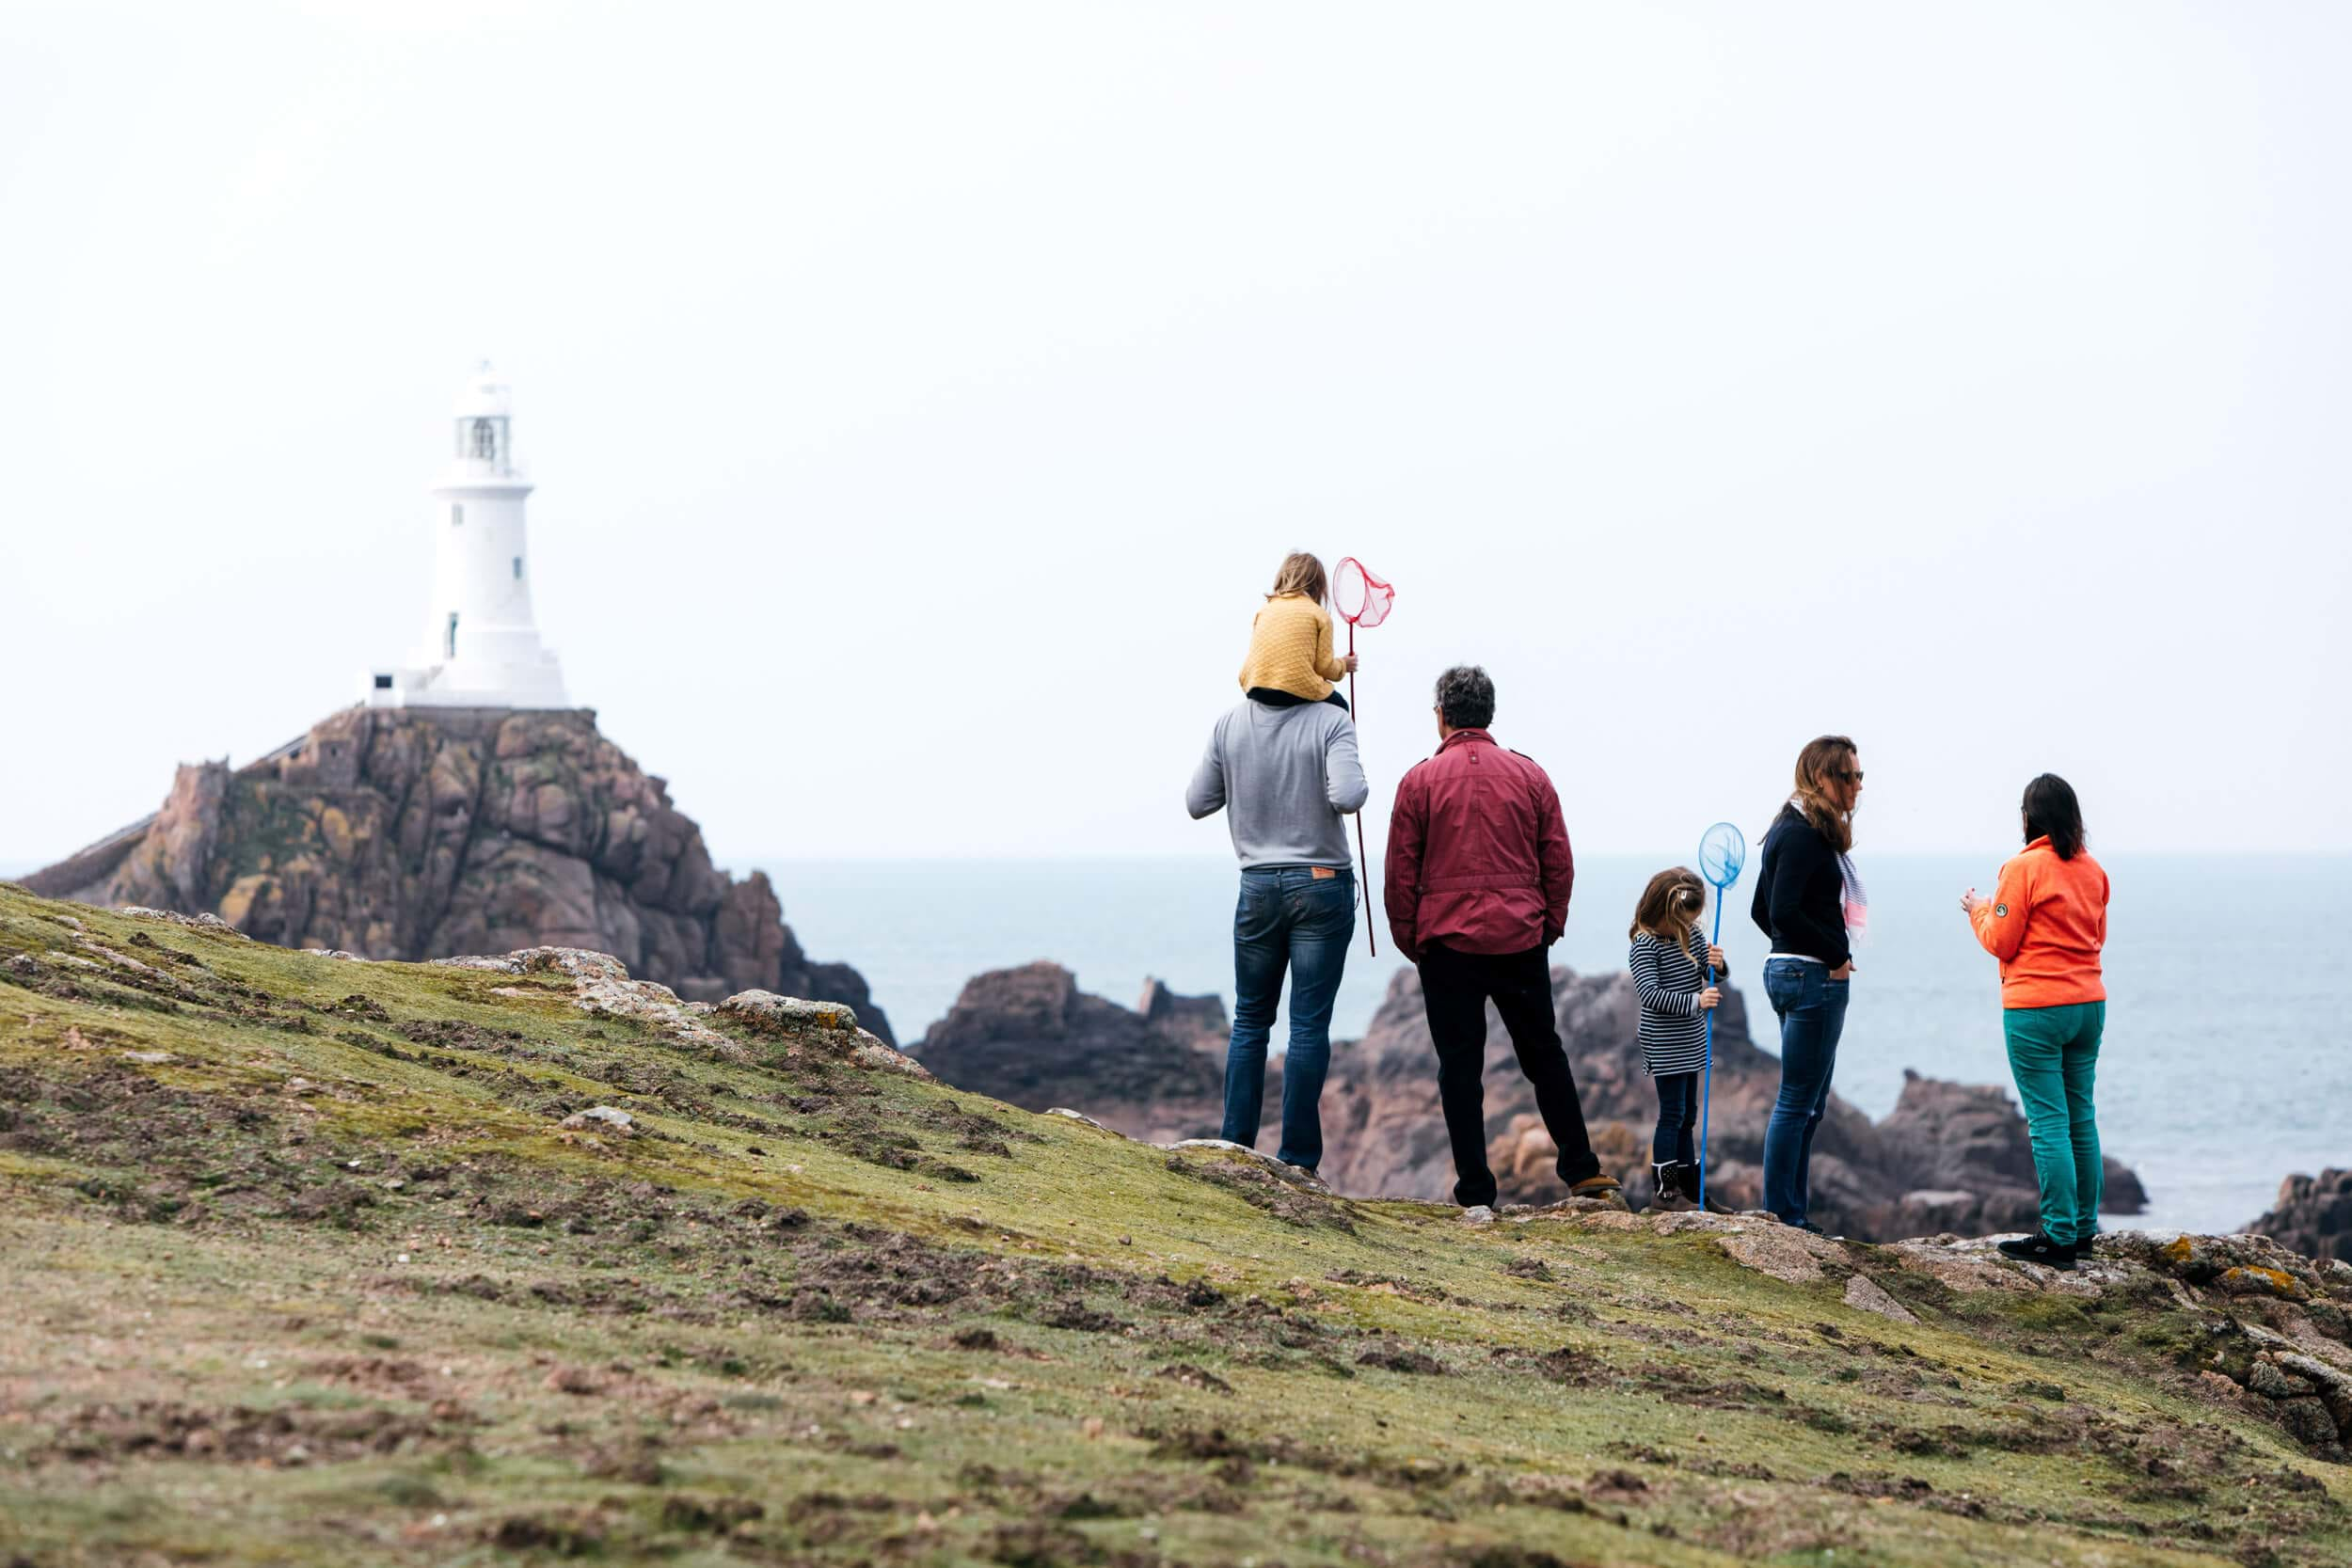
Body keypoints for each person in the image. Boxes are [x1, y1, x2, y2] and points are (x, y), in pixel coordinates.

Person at [1384, 665, 1620, 1210]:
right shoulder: (1530, 776)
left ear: (1441, 716)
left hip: (1446, 948)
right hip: (1521, 939)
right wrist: (1548, 925)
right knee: (1544, 1055)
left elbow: (1400, 874)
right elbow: (1558, 861)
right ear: (1489, 715)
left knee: (1460, 1070)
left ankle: (1475, 1191)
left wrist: (1413, 941)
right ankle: (1582, 1168)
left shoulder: (1418, 782)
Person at [1184, 671, 1370, 1179]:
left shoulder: (1230, 724)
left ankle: (1234, 1146)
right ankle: (1298, 1161)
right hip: (1321, 882)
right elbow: (1349, 796)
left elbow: (1198, 803)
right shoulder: (1332, 720)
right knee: (1308, 1025)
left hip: (1258, 885)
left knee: (1250, 1020)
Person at [1963, 774, 2110, 1270]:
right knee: (2080, 1117)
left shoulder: (2022, 868)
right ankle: (2085, 1230)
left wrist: (1979, 910)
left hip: (2036, 1009)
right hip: (2088, 1005)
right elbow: (2097, 936)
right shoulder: (2094, 871)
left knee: (2048, 1122)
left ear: (2029, 819)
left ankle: (2058, 1235)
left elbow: (2001, 940)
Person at [1750, 735, 1867, 1232]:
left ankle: (1792, 1213)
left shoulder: (1788, 827)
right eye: (1850, 776)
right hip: (1810, 977)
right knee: (1798, 1102)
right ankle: (1784, 1216)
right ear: (1823, 778)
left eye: (1861, 777)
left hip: (1790, 971)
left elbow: (1764, 911)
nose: (1858, 787)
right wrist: (1834, 954)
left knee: (1808, 1104)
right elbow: (1781, 911)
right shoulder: (1800, 835)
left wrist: (1800, 950)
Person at [1628, 868, 1726, 1213]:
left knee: (1689, 1116)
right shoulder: (1644, 946)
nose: (1686, 927)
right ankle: (1665, 1192)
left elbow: (1708, 972)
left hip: (1692, 1039)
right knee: (1672, 1114)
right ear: (1663, 911)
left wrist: (1719, 964)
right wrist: (1695, 1002)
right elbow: (1650, 995)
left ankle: (1693, 1189)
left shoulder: (1691, 935)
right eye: (1681, 921)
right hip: (1664, 1042)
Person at [1237, 551, 1356, 709]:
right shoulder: (1319, 615)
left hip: (1255, 686)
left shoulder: (1265, 610)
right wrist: (1343, 666)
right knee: (1341, 706)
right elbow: (1324, 668)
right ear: (1319, 586)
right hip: (1292, 690)